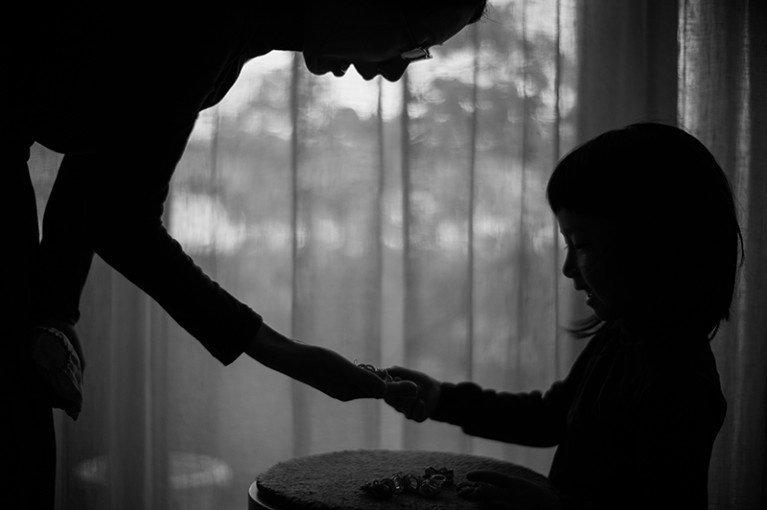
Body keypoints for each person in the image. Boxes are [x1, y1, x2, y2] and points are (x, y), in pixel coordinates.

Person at [0, 0, 488, 508]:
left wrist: (53, 311)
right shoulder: (209, 20)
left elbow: (101, 165)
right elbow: (122, 222)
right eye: (411, 42)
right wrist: (292, 357)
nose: (395, 71)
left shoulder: (232, 33)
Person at [382, 123, 743, 509]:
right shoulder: (619, 337)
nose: (568, 268)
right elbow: (550, 417)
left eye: (581, 244)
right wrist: (442, 399)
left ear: (653, 247)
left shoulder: (680, 386)